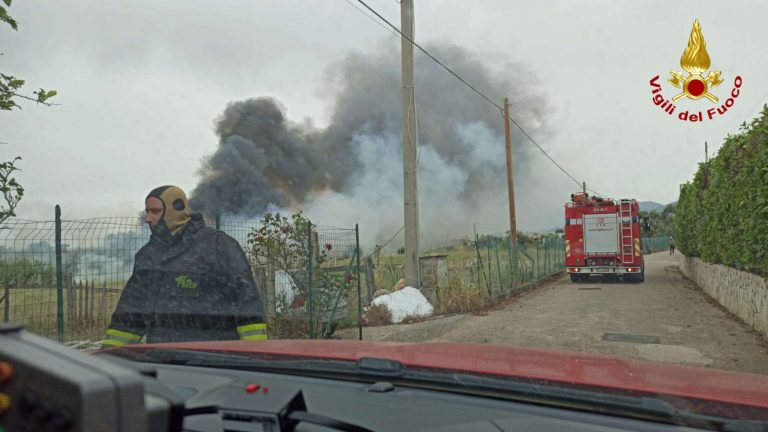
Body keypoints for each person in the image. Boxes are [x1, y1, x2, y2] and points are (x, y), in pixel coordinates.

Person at [101, 186, 267, 348]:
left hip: (214, 361)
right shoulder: (148, 256)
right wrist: (108, 358)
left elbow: (246, 303)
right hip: (163, 361)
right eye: (147, 212)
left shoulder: (218, 246)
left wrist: (256, 354)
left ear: (176, 209)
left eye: (155, 211)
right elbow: (130, 315)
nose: (148, 218)